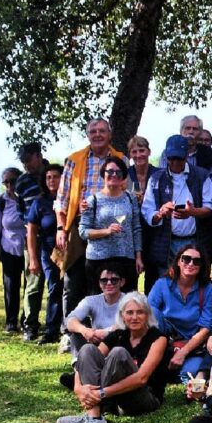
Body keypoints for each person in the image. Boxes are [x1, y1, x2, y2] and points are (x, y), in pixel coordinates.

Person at [56, 291, 170, 423]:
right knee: (87, 349)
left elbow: (141, 378)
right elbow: (88, 359)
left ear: (147, 315)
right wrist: (78, 387)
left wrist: (101, 393)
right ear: (122, 315)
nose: (134, 317)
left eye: (140, 312)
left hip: (144, 399)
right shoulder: (119, 334)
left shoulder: (159, 339)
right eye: (129, 312)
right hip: (114, 399)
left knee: (118, 353)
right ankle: (94, 418)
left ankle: (92, 417)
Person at [57, 119, 125, 317]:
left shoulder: (121, 159)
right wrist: (61, 228)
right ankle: (70, 327)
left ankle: (104, 325)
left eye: (102, 131)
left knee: (105, 279)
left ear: (109, 135)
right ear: (87, 135)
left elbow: (127, 197)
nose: (97, 135)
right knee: (73, 280)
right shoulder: (74, 160)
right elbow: (62, 199)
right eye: (93, 131)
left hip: (109, 228)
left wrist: (117, 226)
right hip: (79, 226)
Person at [143, 135, 212, 287]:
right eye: (171, 158)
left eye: (179, 158)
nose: (175, 162)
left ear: (187, 155)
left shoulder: (202, 175)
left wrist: (192, 212)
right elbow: (147, 210)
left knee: (194, 284)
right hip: (166, 243)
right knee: (167, 285)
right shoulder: (156, 179)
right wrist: (161, 213)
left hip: (195, 240)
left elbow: (209, 208)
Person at [149, 244, 212, 384]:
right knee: (151, 312)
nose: (191, 264)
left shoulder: (208, 289)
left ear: (202, 266)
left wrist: (182, 352)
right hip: (164, 336)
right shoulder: (162, 284)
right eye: (186, 259)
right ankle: (152, 358)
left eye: (196, 261)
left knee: (190, 373)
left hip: (191, 342)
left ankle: (172, 369)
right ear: (178, 262)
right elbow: (146, 313)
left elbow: (205, 328)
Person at [79, 156, 143, 290]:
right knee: (99, 300)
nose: (114, 175)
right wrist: (106, 231)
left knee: (127, 300)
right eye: (110, 171)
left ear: (123, 176)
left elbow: (136, 229)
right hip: (98, 260)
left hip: (126, 259)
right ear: (103, 174)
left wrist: (138, 257)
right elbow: (83, 232)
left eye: (118, 172)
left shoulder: (130, 198)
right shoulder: (92, 200)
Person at [26, 163, 65, 344]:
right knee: (54, 288)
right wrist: (33, 259)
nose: (52, 180)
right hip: (49, 252)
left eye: (56, 177)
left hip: (71, 250)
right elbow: (31, 232)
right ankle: (52, 330)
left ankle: (69, 328)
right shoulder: (39, 203)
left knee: (70, 289)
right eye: (48, 177)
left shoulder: (70, 199)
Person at [15, 142, 49, 342]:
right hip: (33, 239)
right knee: (33, 283)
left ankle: (56, 323)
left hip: (54, 238)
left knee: (58, 284)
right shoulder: (21, 182)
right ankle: (30, 324)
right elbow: (21, 210)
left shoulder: (55, 173)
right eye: (23, 162)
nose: (26, 165)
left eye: (28, 160)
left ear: (39, 156)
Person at [0, 167, 26, 333]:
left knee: (30, 287)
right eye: (6, 182)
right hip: (8, 247)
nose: (10, 185)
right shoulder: (2, 201)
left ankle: (27, 320)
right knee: (11, 286)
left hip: (28, 248)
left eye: (13, 181)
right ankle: (11, 321)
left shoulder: (27, 199)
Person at [63, 267, 127, 364]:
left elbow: (128, 323)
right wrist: (84, 331)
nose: (109, 283)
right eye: (104, 280)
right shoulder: (91, 300)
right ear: (99, 283)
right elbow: (70, 321)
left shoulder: (129, 301)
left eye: (114, 280)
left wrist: (106, 333)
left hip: (118, 342)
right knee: (76, 331)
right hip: (95, 340)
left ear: (122, 282)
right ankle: (79, 365)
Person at [159, 115, 212, 184]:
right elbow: (163, 177)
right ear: (181, 131)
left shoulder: (209, 155)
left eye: (195, 129)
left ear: (200, 133)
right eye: (187, 128)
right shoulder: (168, 153)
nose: (191, 132)